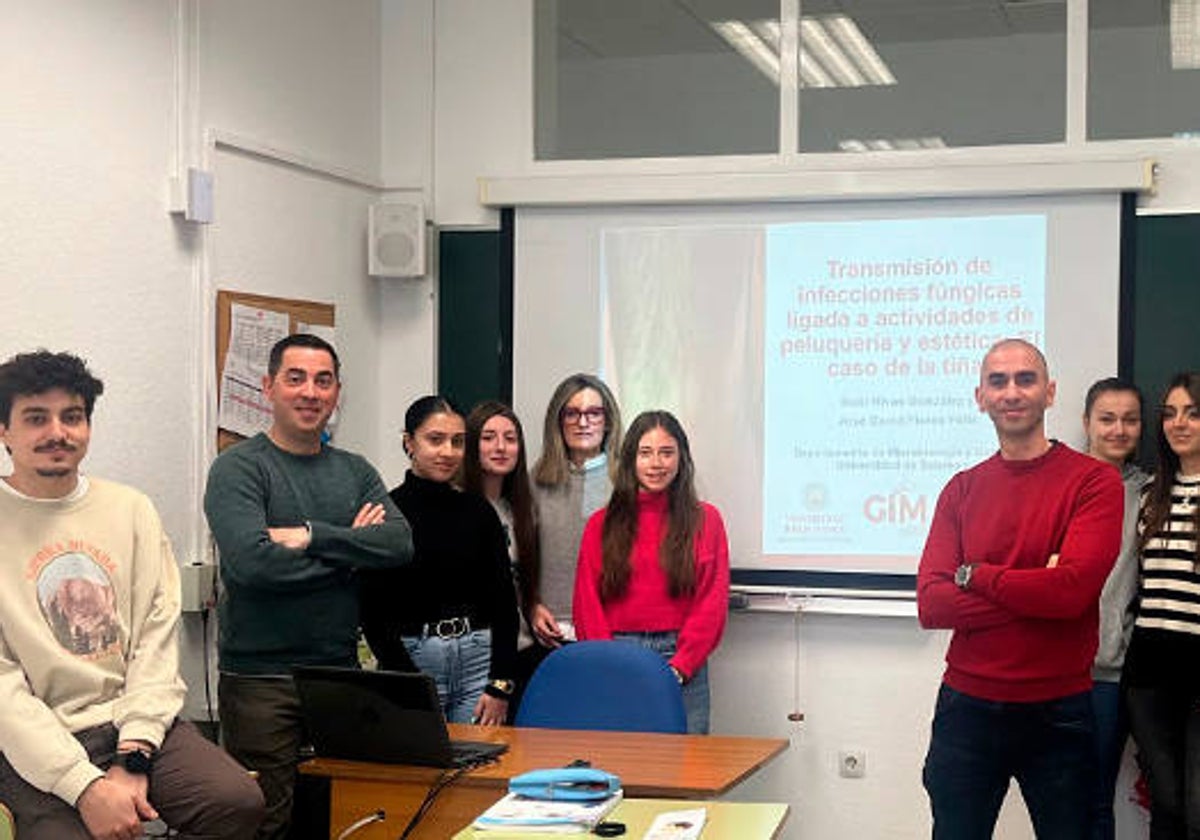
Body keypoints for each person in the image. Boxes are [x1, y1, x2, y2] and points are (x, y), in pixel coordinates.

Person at [0, 349, 264, 840]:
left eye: (72, 417)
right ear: (4, 431)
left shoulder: (130, 510)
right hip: (33, 741)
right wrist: (85, 787)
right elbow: (4, 691)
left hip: (128, 721)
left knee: (235, 802)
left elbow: (154, 642)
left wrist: (134, 754)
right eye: (36, 418)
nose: (57, 432)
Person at [203, 334, 412, 840]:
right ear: (268, 387)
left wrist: (312, 536)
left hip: (338, 675)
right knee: (265, 821)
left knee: (342, 815)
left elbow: (400, 543)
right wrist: (349, 553)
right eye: (295, 378)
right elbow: (254, 565)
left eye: (323, 381)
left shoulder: (354, 470)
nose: (310, 392)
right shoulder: (239, 468)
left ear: (338, 392)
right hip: (260, 681)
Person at [917, 338, 1124, 839]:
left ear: (1050, 392)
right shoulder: (961, 488)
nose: (1012, 392)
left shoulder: (1094, 482)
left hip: (1059, 712)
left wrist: (977, 574)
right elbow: (931, 602)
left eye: (1026, 379)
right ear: (980, 397)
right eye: (998, 381)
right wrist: (1039, 584)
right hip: (966, 707)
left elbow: (1072, 593)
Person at [360, 396, 518, 725]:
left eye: (457, 442)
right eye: (435, 440)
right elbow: (373, 613)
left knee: (479, 770)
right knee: (421, 771)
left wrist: (501, 685)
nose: (448, 452)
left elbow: (504, 604)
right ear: (409, 443)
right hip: (413, 662)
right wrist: (406, 682)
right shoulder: (385, 512)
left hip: (478, 662)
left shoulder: (478, 512)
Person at [573, 410, 730, 734]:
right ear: (630, 459)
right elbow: (587, 604)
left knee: (688, 768)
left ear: (681, 458)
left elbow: (711, 602)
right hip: (618, 657)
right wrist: (610, 665)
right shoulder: (600, 525)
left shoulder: (706, 520)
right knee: (621, 764)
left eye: (666, 452)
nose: (656, 463)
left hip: (682, 660)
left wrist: (681, 667)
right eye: (646, 453)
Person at [1122, 372, 1200, 839]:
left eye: (1193, 412)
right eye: (1169, 413)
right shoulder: (1152, 493)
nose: (1179, 423)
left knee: (1197, 808)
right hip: (1149, 668)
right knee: (1166, 803)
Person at [1081, 377, 1148, 840]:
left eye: (1130, 419)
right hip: (1050, 672)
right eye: (1107, 419)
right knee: (1055, 798)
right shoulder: (1059, 483)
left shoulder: (1152, 493)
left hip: (1110, 675)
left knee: (1094, 800)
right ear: (1087, 423)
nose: (1118, 430)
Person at [461, 401, 543, 721]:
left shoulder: (520, 510)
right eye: (488, 437)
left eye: (510, 438)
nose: (500, 447)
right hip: (475, 660)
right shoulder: (458, 508)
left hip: (520, 652)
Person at [531, 374, 622, 651]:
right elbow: (520, 559)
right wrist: (531, 605)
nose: (583, 423)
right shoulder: (534, 480)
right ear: (558, 420)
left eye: (594, 413)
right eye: (572, 413)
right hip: (551, 632)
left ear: (608, 421)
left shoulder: (628, 481)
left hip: (612, 630)